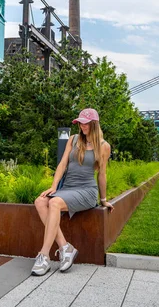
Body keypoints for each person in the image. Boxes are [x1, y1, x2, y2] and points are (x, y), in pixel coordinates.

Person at [31, 108, 114, 276]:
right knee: (40, 201)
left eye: (85, 123)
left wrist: (103, 199)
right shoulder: (73, 139)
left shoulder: (104, 146)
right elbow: (62, 164)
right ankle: (65, 247)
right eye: (80, 123)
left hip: (86, 191)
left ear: (93, 124)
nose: (82, 126)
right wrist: (54, 186)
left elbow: (102, 174)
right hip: (67, 188)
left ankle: (44, 255)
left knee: (54, 203)